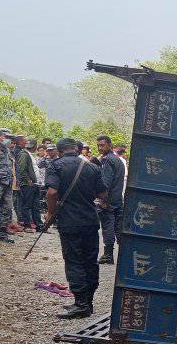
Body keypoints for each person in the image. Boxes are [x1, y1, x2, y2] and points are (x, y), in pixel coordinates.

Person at [44, 138, 108, 319]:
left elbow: (52, 192)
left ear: (59, 150)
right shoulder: (92, 167)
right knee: (90, 260)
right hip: (90, 220)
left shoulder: (55, 165)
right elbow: (103, 193)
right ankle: (89, 302)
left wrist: (50, 213)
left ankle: (80, 304)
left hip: (69, 221)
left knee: (74, 260)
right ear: (77, 149)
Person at [94, 135, 126, 263]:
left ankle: (108, 255)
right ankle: (124, 255)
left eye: (102, 145)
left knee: (108, 227)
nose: (100, 148)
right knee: (119, 228)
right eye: (98, 145)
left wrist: (103, 200)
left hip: (109, 200)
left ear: (109, 145)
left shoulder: (107, 160)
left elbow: (105, 183)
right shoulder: (118, 160)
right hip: (118, 199)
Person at [12, 136, 39, 232]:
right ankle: (26, 224)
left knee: (33, 205)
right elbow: (22, 169)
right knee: (26, 205)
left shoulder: (26, 153)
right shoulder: (23, 154)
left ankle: (36, 224)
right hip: (26, 183)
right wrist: (28, 180)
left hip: (31, 183)